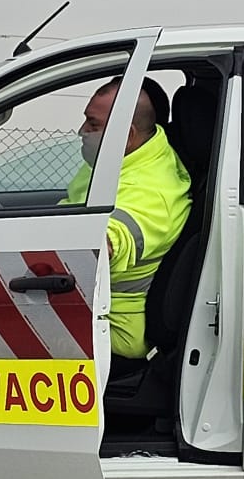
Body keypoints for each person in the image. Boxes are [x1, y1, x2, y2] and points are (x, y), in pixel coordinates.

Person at [62, 76, 191, 375]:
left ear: (127, 134)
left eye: (92, 125)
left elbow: (104, 245)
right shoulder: (116, 160)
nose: (82, 132)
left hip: (113, 333)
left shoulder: (152, 192)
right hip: (83, 309)